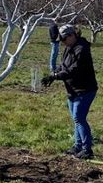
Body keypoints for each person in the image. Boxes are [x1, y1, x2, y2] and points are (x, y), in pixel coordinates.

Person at [42, 24, 98, 160]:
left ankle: (87, 150)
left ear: (72, 35)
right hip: (72, 90)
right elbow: (64, 65)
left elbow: (74, 69)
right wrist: (55, 73)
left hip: (85, 89)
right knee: (76, 119)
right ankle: (77, 146)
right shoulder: (69, 47)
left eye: (64, 39)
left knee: (79, 118)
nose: (63, 42)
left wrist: (56, 76)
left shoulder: (82, 49)